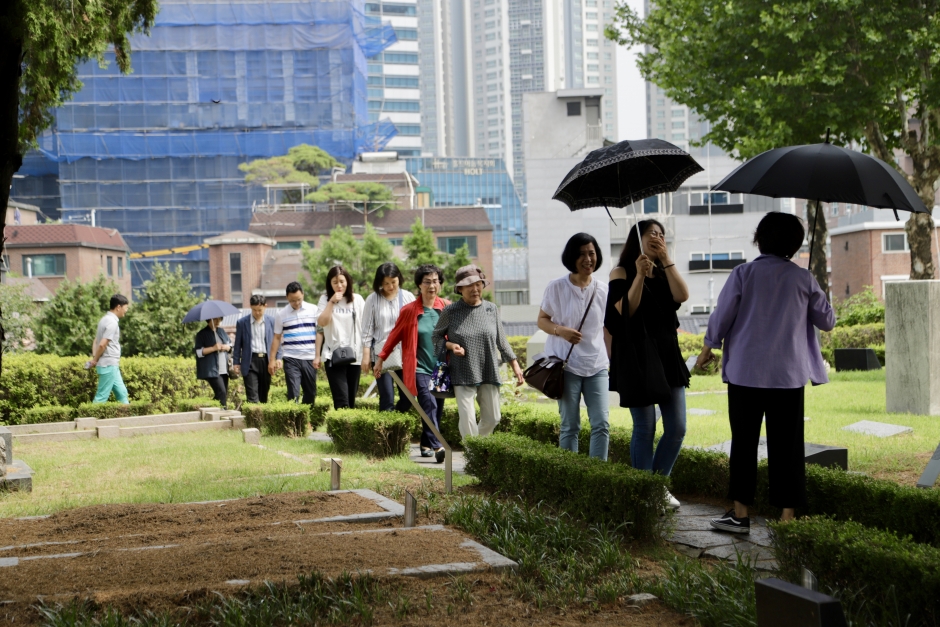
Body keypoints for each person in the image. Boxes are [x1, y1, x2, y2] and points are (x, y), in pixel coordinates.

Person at [697, 212, 835, 534]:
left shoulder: (743, 273)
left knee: (744, 444)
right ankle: (787, 518)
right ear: (795, 244)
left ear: (759, 238)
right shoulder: (803, 278)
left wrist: (708, 347)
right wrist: (813, 284)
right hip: (788, 376)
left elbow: (722, 315)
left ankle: (740, 515)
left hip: (745, 374)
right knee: (788, 447)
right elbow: (827, 321)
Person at [606, 219, 690, 510]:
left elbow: (682, 296)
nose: (657, 237)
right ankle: (644, 495)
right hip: (637, 357)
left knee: (677, 427)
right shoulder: (621, 271)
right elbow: (623, 312)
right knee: (645, 427)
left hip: (667, 355)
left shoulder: (665, 270)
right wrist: (639, 276)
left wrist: (666, 260)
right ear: (637, 239)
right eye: (651, 233)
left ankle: (655, 487)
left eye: (661, 234)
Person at [537, 233, 611, 460]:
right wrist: (561, 330)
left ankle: (597, 473)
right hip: (566, 366)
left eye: (591, 253)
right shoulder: (556, 287)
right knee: (570, 425)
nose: (588, 259)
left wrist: (613, 360)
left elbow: (607, 329)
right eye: (581, 254)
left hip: (597, 364)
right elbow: (542, 320)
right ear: (571, 257)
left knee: (601, 424)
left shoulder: (603, 289)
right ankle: (571, 473)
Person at [433, 264, 525, 439]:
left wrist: (515, 366)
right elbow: (436, 337)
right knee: (467, 420)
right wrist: (450, 346)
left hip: (488, 369)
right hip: (462, 372)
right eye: (469, 285)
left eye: (478, 284)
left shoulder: (491, 309)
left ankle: (477, 445)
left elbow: (501, 340)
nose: (475, 289)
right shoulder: (450, 311)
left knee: (493, 418)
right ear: (460, 289)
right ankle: (472, 451)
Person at [376, 264, 450, 462]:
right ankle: (438, 446)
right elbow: (394, 336)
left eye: (435, 281)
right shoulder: (409, 310)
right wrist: (381, 358)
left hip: (441, 368)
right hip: (419, 367)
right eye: (427, 282)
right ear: (419, 285)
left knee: (437, 409)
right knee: (429, 402)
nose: (432, 286)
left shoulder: (446, 307)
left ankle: (426, 442)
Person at [361, 262, 415, 412]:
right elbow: (367, 329)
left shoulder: (408, 297)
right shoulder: (372, 299)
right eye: (386, 283)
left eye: (394, 282)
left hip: (404, 354)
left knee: (409, 396)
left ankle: (397, 419)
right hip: (381, 355)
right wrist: (366, 355)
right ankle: (388, 425)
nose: (390, 286)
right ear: (380, 283)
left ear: (399, 279)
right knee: (386, 398)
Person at [316, 266, 366, 410]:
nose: (339, 285)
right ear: (330, 284)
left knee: (351, 400)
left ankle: (348, 424)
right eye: (335, 282)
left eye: (342, 281)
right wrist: (331, 302)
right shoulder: (324, 299)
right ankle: (343, 424)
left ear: (348, 281)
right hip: (333, 355)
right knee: (341, 402)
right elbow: (322, 323)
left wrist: (366, 354)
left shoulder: (358, 300)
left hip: (354, 356)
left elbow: (366, 327)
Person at [269, 282, 319, 405]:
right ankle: (294, 417)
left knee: (311, 393)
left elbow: (320, 333)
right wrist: (272, 360)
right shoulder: (281, 314)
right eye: (292, 301)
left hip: (310, 357)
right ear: (287, 298)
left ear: (303, 294)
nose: (296, 303)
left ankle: (305, 415)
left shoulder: (314, 310)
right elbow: (277, 337)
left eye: (299, 299)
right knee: (293, 393)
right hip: (291, 358)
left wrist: (318, 355)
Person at [232, 295, 281, 403]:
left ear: (265, 306)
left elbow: (277, 340)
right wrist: (236, 362)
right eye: (254, 310)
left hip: (266, 361)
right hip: (250, 361)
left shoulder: (272, 321)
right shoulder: (242, 323)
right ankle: (253, 412)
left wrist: (278, 357)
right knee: (252, 397)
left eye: (260, 310)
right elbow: (237, 344)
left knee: (263, 397)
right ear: (250, 307)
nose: (257, 313)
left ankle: (261, 414)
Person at [90, 294, 130, 404]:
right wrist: (95, 359)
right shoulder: (112, 322)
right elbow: (102, 344)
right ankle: (90, 415)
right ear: (118, 307)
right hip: (108, 364)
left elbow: (96, 341)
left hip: (111, 364)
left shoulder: (104, 320)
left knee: (122, 393)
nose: (126, 311)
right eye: (126, 308)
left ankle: (128, 414)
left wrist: (95, 357)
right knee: (101, 397)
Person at [195, 317, 232, 408]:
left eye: (219, 319)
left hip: (224, 369)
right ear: (209, 319)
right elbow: (199, 352)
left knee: (222, 394)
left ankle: (210, 408)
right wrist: (213, 348)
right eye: (215, 319)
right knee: (221, 392)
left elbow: (230, 345)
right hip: (212, 370)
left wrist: (227, 347)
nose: (218, 321)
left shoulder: (221, 331)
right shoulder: (202, 334)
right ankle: (223, 412)